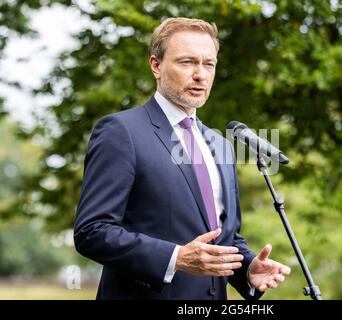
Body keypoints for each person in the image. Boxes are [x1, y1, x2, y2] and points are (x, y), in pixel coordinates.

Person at [74, 17, 290, 300]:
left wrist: (247, 269)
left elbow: (225, 236)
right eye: (187, 62)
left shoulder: (221, 145)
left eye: (208, 64)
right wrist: (175, 258)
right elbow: (92, 231)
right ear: (156, 65)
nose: (200, 75)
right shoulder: (121, 131)